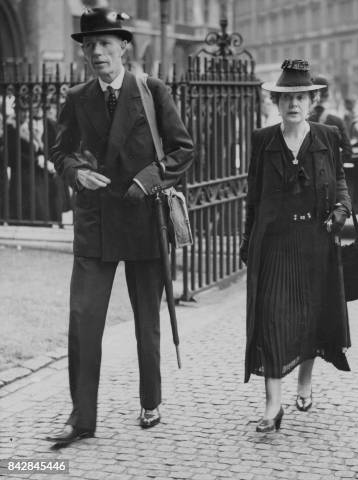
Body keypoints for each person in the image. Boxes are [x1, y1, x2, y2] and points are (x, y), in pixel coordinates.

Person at [46, 8, 193, 446]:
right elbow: (61, 151)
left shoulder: (151, 90)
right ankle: (81, 418)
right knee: (83, 320)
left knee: (146, 320)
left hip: (142, 218)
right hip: (95, 223)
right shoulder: (77, 97)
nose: (96, 53)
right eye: (90, 45)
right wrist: (76, 172)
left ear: (123, 47)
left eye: (105, 44)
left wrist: (146, 181)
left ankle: (151, 400)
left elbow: (183, 150)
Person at [240, 59, 352, 432]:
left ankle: (304, 383)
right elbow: (252, 198)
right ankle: (273, 406)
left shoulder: (326, 137)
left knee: (311, 319)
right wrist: (247, 242)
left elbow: (339, 183)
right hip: (274, 244)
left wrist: (342, 208)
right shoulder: (262, 141)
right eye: (287, 98)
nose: (294, 104)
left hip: (315, 243)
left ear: (311, 100)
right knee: (271, 320)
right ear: (276, 102)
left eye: (301, 97)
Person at [308, 75, 352, 165]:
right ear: (328, 95)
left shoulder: (303, 121)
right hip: (330, 177)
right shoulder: (337, 121)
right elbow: (348, 151)